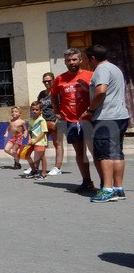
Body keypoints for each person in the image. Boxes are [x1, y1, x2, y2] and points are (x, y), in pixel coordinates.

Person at [81, 45, 130, 203]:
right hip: (120, 116)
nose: (88, 63)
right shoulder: (115, 68)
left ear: (93, 58)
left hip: (106, 117)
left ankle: (107, 189)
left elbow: (101, 91)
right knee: (116, 153)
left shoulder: (101, 69)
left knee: (104, 154)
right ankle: (118, 188)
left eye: (87, 59)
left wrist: (90, 110)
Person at [51, 48, 95, 193]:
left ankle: (105, 182)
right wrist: (57, 111)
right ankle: (87, 181)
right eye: (68, 60)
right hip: (70, 121)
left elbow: (99, 94)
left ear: (80, 60)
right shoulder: (60, 79)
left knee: (95, 151)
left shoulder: (90, 75)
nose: (72, 62)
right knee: (79, 152)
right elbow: (53, 95)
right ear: (65, 62)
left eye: (74, 59)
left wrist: (87, 88)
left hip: (89, 119)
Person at [37, 72, 63, 176]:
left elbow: (62, 107)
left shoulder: (58, 93)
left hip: (55, 122)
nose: (47, 83)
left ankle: (57, 167)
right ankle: (35, 167)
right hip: (44, 123)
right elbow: (39, 107)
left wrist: (58, 120)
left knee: (58, 144)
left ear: (54, 80)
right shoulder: (41, 94)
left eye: (49, 81)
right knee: (40, 144)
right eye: (45, 81)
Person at [23, 101, 48, 180]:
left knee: (41, 157)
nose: (34, 111)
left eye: (37, 110)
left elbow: (44, 132)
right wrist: (29, 139)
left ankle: (43, 174)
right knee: (26, 155)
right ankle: (34, 171)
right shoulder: (31, 120)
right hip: (32, 141)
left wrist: (36, 140)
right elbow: (30, 131)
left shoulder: (42, 120)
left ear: (40, 111)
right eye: (33, 109)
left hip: (40, 141)